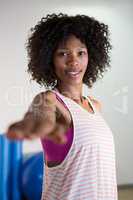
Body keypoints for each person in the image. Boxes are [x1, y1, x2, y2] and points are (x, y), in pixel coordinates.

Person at [6, 13, 118, 200]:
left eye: (80, 53)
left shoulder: (95, 106)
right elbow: (42, 112)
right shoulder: (50, 100)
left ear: (91, 56)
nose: (73, 61)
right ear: (49, 59)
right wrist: (36, 121)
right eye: (63, 53)